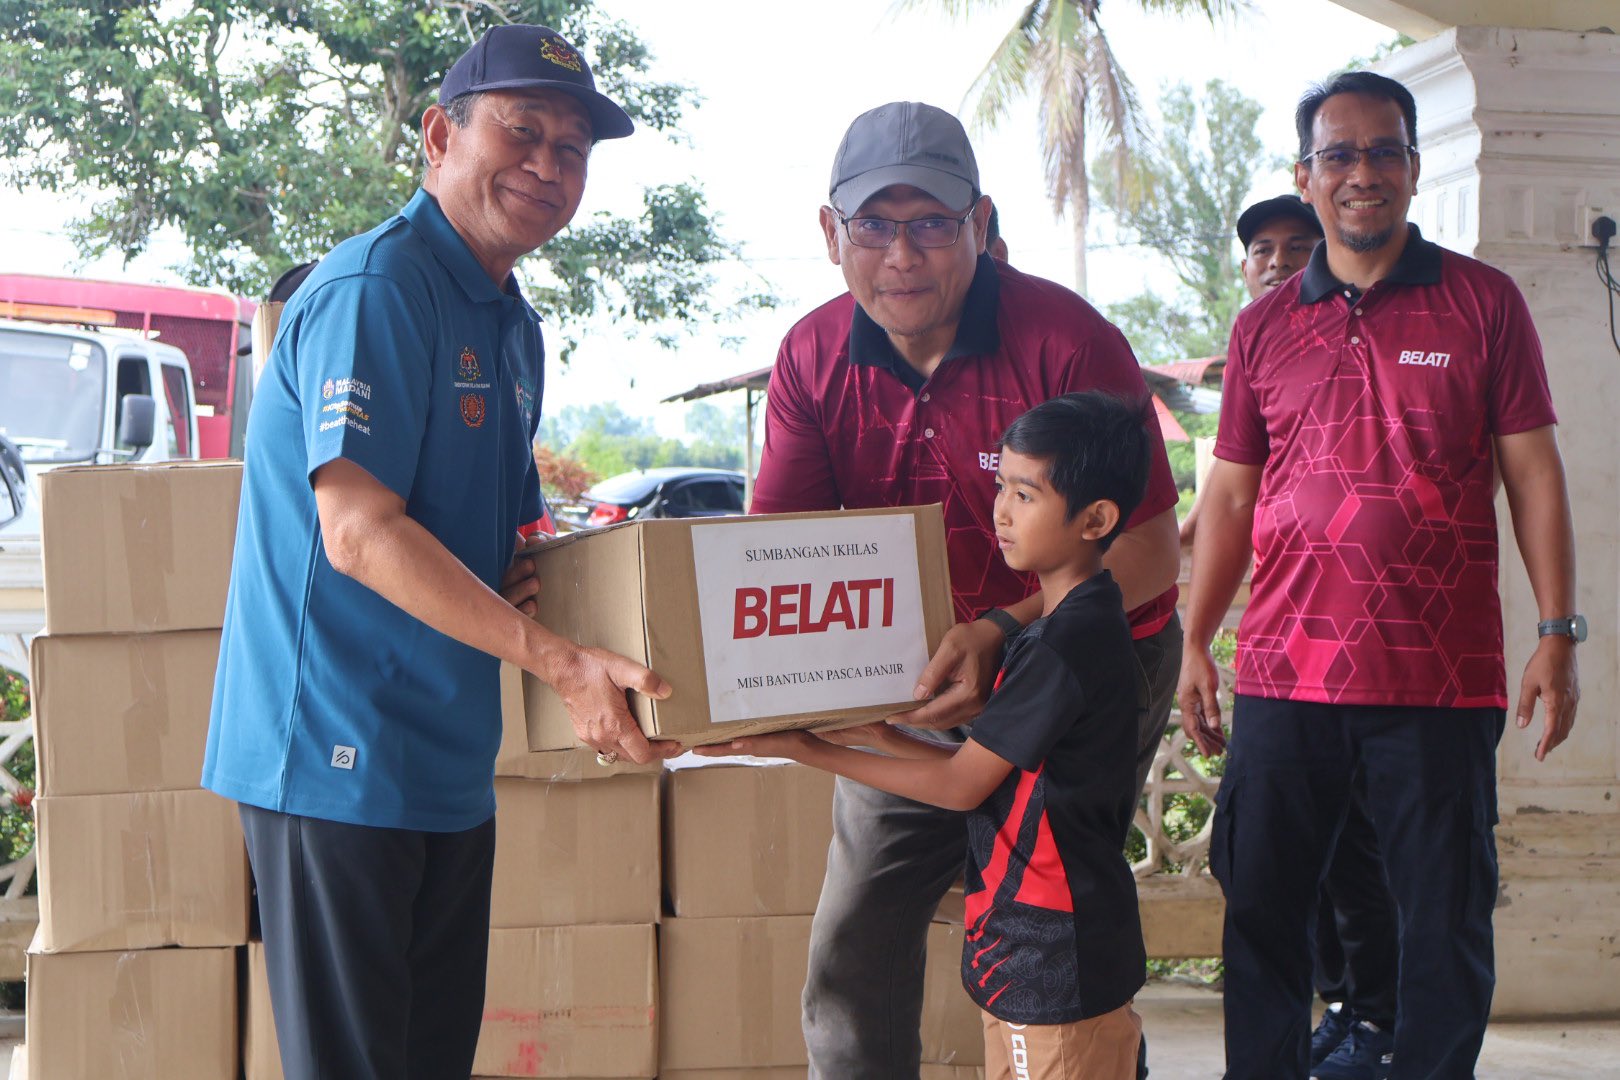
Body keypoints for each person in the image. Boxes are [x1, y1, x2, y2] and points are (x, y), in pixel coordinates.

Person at [200, 25, 680, 1080]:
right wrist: (565, 665)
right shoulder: (377, 289)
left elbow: (507, 550)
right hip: (334, 755)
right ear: (438, 135)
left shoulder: (510, 325)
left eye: (572, 149)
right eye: (522, 131)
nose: (548, 166)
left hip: (445, 762)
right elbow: (359, 533)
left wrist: (636, 634)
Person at [750, 99, 1182, 1079]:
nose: (902, 255)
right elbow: (776, 554)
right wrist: (728, 694)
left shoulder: (1066, 340)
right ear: (831, 233)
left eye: (933, 225)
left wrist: (1005, 628)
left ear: (981, 225)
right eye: (874, 225)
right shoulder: (812, 357)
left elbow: (1152, 551)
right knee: (857, 939)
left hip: (1081, 658)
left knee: (1054, 917)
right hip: (911, 682)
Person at [1178, 70, 1581, 1080]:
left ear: (1412, 164)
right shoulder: (1262, 326)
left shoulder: (1482, 302)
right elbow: (1229, 501)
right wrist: (1194, 641)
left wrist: (1557, 631)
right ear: (1306, 176)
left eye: (1385, 151)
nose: (1364, 172)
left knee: (1445, 922)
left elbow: (1533, 474)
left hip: (1440, 677)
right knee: (1263, 917)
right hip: (1285, 673)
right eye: (1341, 155)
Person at [707, 391, 1154, 1080]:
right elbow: (991, 771)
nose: (1000, 511)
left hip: (1054, 951)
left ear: (1096, 519)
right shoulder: (1069, 625)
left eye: (1026, 494)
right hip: (1036, 950)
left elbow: (958, 785)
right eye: (1001, 486)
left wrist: (809, 749)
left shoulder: (1062, 645)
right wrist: (877, 733)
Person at [1183, 194, 1399, 1071]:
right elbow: (1231, 489)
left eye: (1294, 246)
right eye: (1262, 250)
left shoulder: (1369, 336)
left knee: (1359, 854)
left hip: (1375, 651)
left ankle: (1376, 1020)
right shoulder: (1258, 343)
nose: (1277, 262)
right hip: (1279, 649)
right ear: (1243, 268)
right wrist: (1192, 608)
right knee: (1264, 862)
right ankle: (1340, 1005)